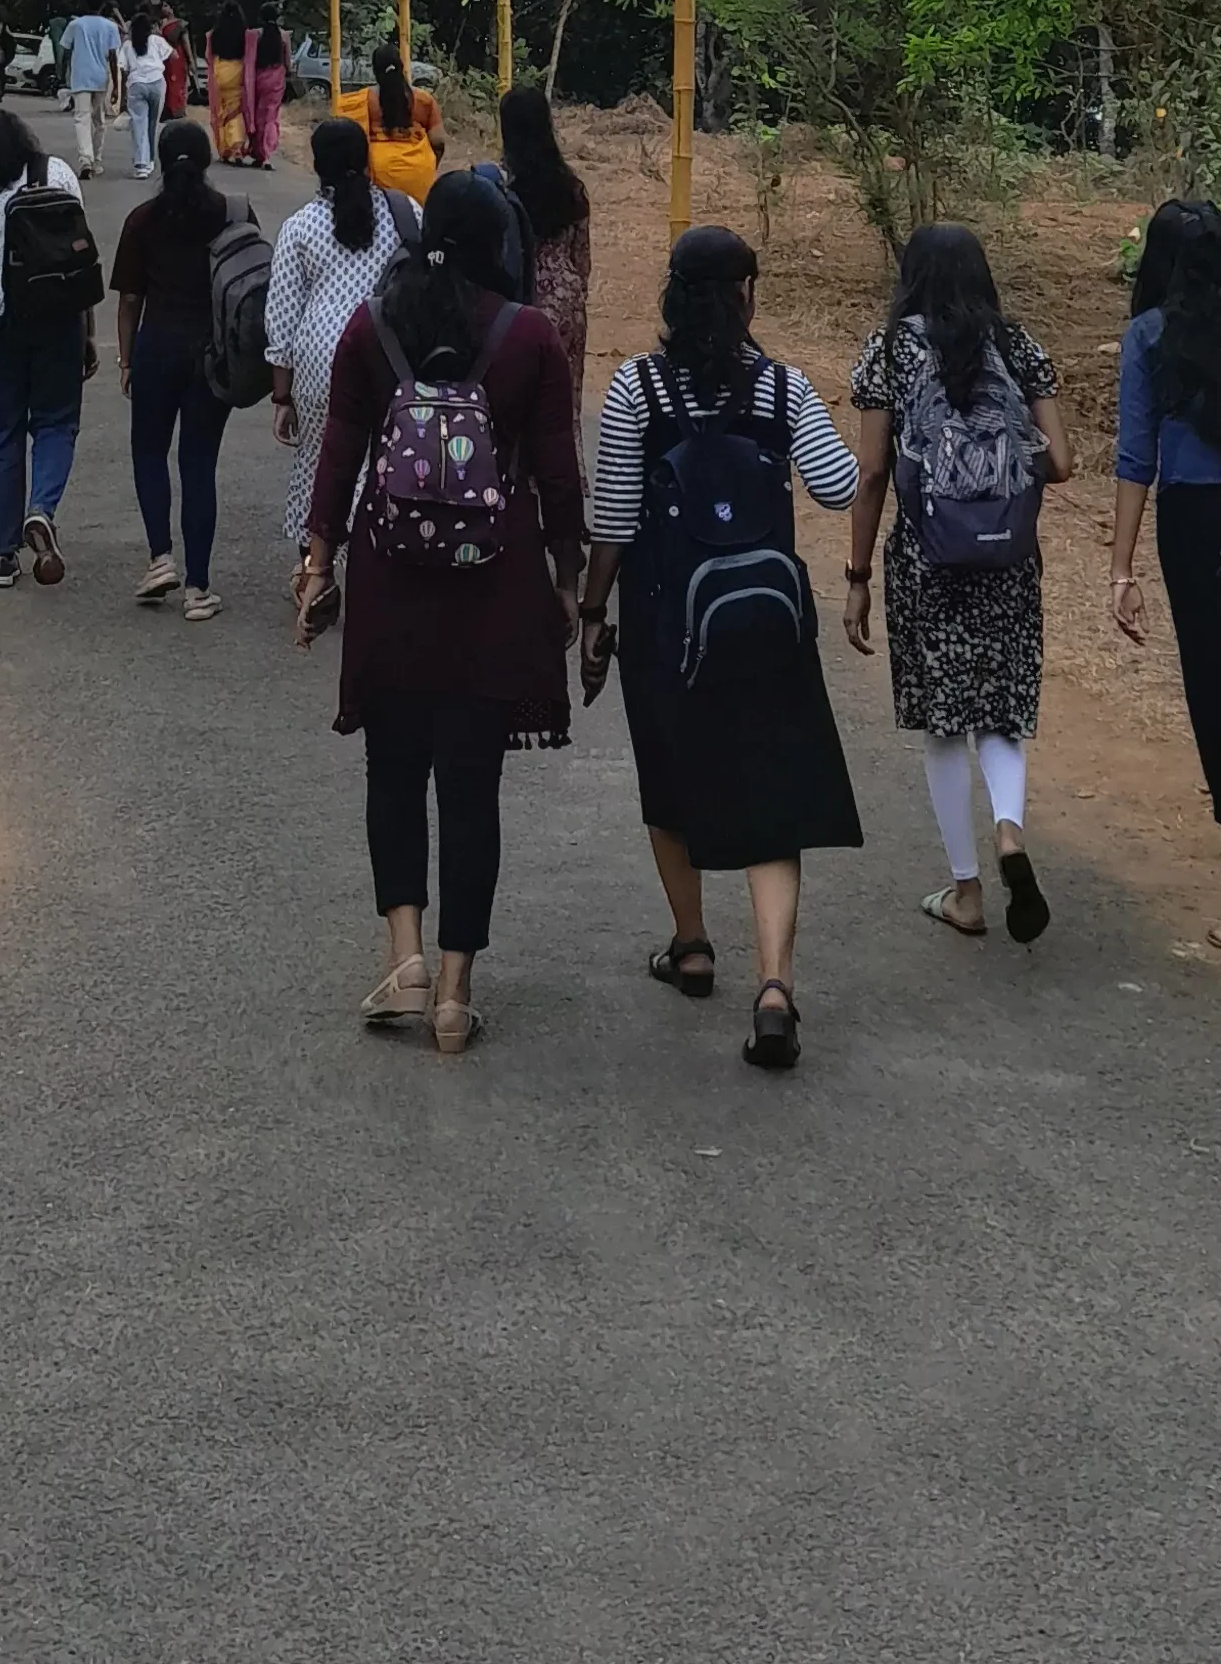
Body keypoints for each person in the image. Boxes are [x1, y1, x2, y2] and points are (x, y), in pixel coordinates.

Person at [297, 171, 584, 1055]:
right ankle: (457, 994)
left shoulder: (373, 326)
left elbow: (339, 453)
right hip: (492, 593)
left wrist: (318, 561)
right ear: (499, 239)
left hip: (392, 587)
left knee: (394, 773)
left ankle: (406, 959)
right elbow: (556, 471)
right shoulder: (528, 335)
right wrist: (570, 582)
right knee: (471, 790)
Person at [584, 224, 862, 1071]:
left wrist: (594, 615)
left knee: (671, 780)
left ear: (672, 295)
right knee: (773, 793)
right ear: (746, 298)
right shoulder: (781, 389)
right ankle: (775, 985)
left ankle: (693, 943)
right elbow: (840, 483)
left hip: (671, 623)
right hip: (768, 625)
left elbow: (613, 520)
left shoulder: (637, 389)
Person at [845, 222, 1070, 943]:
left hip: (926, 560)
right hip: (1008, 559)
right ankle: (1009, 834)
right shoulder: (1017, 343)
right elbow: (1061, 461)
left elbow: (873, 472)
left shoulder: (889, 350)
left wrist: (855, 577)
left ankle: (967, 891)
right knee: (1000, 712)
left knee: (944, 726)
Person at [0, 105, 98, 586]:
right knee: (55, 422)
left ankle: (0, 556)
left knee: (0, 433)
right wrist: (87, 330)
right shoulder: (56, 172)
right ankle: (42, 510)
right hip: (56, 314)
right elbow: (78, 254)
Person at [266, 119, 419, 594]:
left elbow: (283, 311)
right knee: (383, 459)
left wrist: (281, 393)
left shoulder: (301, 226)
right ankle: (378, 565)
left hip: (317, 359)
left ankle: (315, 566)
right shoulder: (406, 213)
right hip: (388, 353)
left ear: (317, 165)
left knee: (320, 460)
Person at [1111, 198, 1221, 838]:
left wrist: (1122, 571)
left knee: (1209, 683)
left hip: (1193, 521)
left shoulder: (1149, 335)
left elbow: (1135, 458)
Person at [112, 118, 251, 619]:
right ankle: (198, 588)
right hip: (212, 355)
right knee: (198, 465)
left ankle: (159, 558)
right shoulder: (231, 213)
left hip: (157, 348)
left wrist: (126, 359)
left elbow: (130, 299)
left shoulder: (144, 219)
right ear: (208, 159)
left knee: (149, 451)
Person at [494, 83, 592, 417]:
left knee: (513, 410)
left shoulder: (499, 187)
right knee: (563, 411)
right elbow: (582, 261)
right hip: (566, 303)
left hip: (513, 303)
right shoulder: (571, 186)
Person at [365, 48, 444, 207]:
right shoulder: (424, 99)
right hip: (420, 171)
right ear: (401, 66)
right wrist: (429, 168)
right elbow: (438, 142)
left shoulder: (362, 100)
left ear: (374, 70)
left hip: (378, 172)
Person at [62, 0, 123, 178]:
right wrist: (116, 85)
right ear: (103, 5)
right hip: (100, 78)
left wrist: (63, 73)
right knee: (99, 120)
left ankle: (85, 160)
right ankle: (96, 160)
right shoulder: (110, 27)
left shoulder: (76, 25)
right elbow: (113, 57)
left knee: (82, 118)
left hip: (80, 76)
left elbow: (66, 51)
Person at [123, 8, 172, 178]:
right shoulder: (157, 41)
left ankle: (142, 164)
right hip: (157, 82)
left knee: (139, 124)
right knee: (153, 124)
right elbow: (174, 56)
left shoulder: (128, 45)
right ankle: (151, 159)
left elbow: (123, 69)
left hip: (136, 84)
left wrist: (122, 92)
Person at [208, 1, 251, 165]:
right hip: (237, 71)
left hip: (220, 71)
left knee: (222, 111)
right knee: (235, 111)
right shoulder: (244, 34)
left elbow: (210, 55)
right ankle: (237, 148)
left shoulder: (215, 33)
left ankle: (225, 150)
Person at [250, 9, 292, 168]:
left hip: (258, 77)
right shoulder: (284, 36)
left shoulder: (256, 35)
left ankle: (258, 153)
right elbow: (288, 63)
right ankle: (267, 154)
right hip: (276, 78)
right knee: (270, 116)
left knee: (258, 115)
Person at [159, 5, 193, 119]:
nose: (164, 9)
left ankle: (177, 109)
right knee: (169, 83)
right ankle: (170, 110)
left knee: (177, 82)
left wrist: (190, 59)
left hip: (176, 57)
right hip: (167, 58)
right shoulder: (162, 25)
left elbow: (185, 42)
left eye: (166, 6)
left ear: (172, 8)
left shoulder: (180, 24)